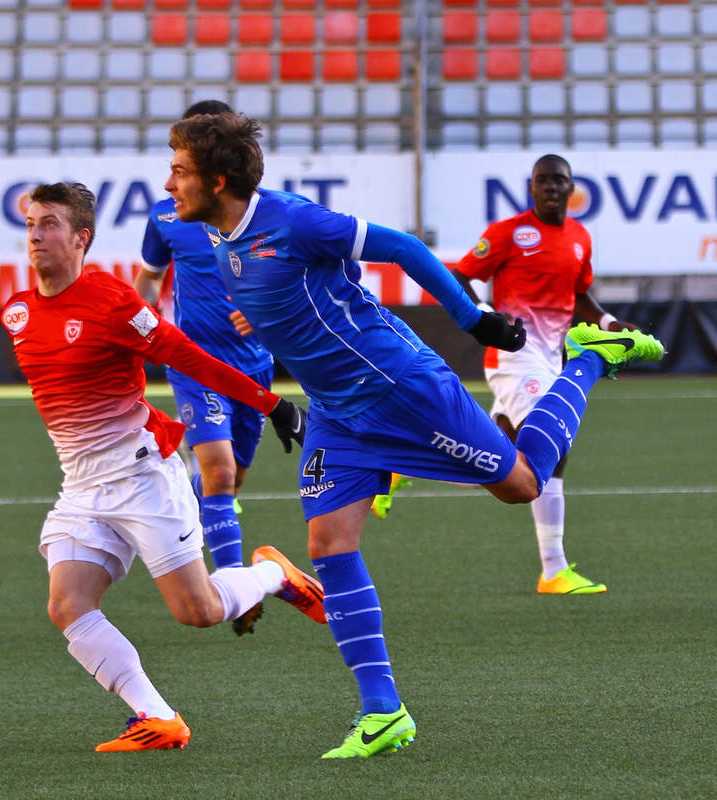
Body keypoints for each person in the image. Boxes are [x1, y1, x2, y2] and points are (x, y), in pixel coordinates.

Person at [164, 112, 664, 758]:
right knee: (327, 542)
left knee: (522, 484)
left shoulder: (293, 219)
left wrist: (474, 320)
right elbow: (293, 295)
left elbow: (402, 248)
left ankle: (595, 354)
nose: (170, 184)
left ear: (220, 179)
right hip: (337, 413)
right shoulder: (215, 240)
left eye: (180, 171)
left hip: (401, 389)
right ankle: (383, 713)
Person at [0, 181, 323, 752]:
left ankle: (274, 574)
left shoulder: (113, 302)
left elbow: (188, 355)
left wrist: (273, 404)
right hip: (82, 486)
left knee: (197, 612)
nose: (36, 234)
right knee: (67, 605)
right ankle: (158, 718)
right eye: (30, 223)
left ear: (82, 238)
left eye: (50, 223)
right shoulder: (17, 312)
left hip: (142, 476)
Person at [452, 154, 640, 595]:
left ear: (571, 188)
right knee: (552, 450)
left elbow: (579, 294)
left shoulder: (579, 237)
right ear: (532, 187)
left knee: (496, 442)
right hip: (513, 355)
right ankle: (553, 568)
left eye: (560, 181)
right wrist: (484, 316)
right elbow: (460, 276)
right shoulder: (508, 234)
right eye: (544, 181)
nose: (552, 187)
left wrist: (611, 323)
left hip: (549, 359)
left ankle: (414, 459)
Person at [135, 99, 276, 635]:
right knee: (218, 469)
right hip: (195, 360)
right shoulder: (165, 217)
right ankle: (234, 584)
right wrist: (143, 319)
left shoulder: (262, 213)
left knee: (230, 478)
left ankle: (176, 513)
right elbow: (148, 278)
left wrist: (262, 310)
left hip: (254, 366)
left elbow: (302, 274)